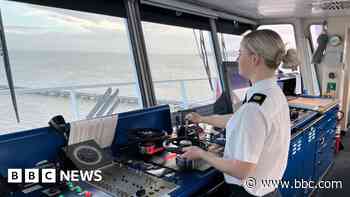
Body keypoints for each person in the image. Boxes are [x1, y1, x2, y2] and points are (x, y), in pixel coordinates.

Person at [182, 29, 300, 197]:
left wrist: (202, 154)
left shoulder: (254, 108)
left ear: (254, 59)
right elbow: (240, 119)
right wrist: (203, 119)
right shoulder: (272, 92)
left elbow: (241, 171)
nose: (237, 59)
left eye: (240, 53)